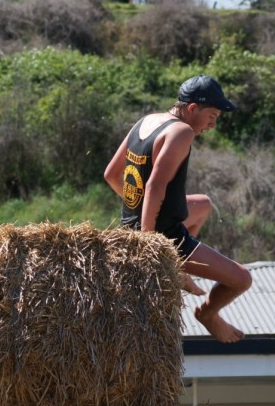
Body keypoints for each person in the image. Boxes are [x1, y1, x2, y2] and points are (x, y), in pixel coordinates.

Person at [103, 74, 252, 343]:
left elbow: (111, 175)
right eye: (212, 115)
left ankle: (178, 267)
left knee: (203, 205)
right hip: (163, 234)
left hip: (132, 223)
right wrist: (151, 244)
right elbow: (155, 187)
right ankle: (207, 313)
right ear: (193, 108)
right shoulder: (181, 132)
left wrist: (136, 209)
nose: (212, 124)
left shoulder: (146, 121)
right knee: (242, 279)